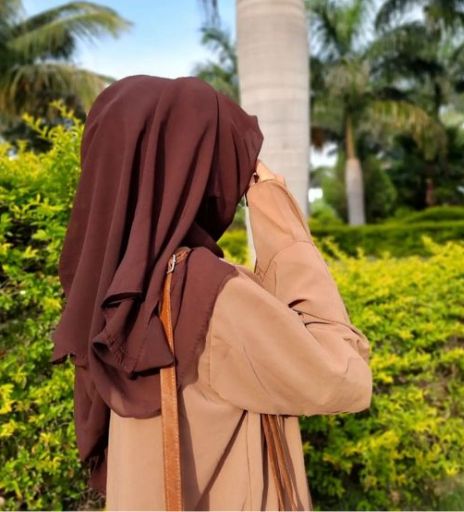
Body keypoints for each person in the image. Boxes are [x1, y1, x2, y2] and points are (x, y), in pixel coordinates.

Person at [50, 75, 372, 511]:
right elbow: (345, 378)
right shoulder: (207, 292)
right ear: (195, 170)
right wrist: (275, 207)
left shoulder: (109, 291)